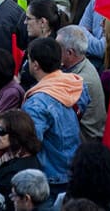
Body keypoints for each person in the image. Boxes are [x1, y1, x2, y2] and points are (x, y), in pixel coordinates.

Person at [22, 37, 88, 193]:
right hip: (74, 167)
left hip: (52, 176)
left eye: (29, 60)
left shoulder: (36, 103)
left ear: (36, 65)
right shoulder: (75, 84)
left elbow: (32, 142)